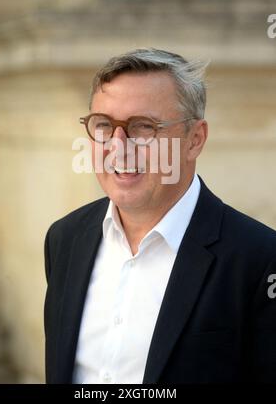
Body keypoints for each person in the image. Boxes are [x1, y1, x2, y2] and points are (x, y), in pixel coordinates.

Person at [44, 48, 276, 384]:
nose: (118, 146)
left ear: (194, 140)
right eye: (104, 125)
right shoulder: (64, 239)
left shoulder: (260, 259)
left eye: (143, 127)